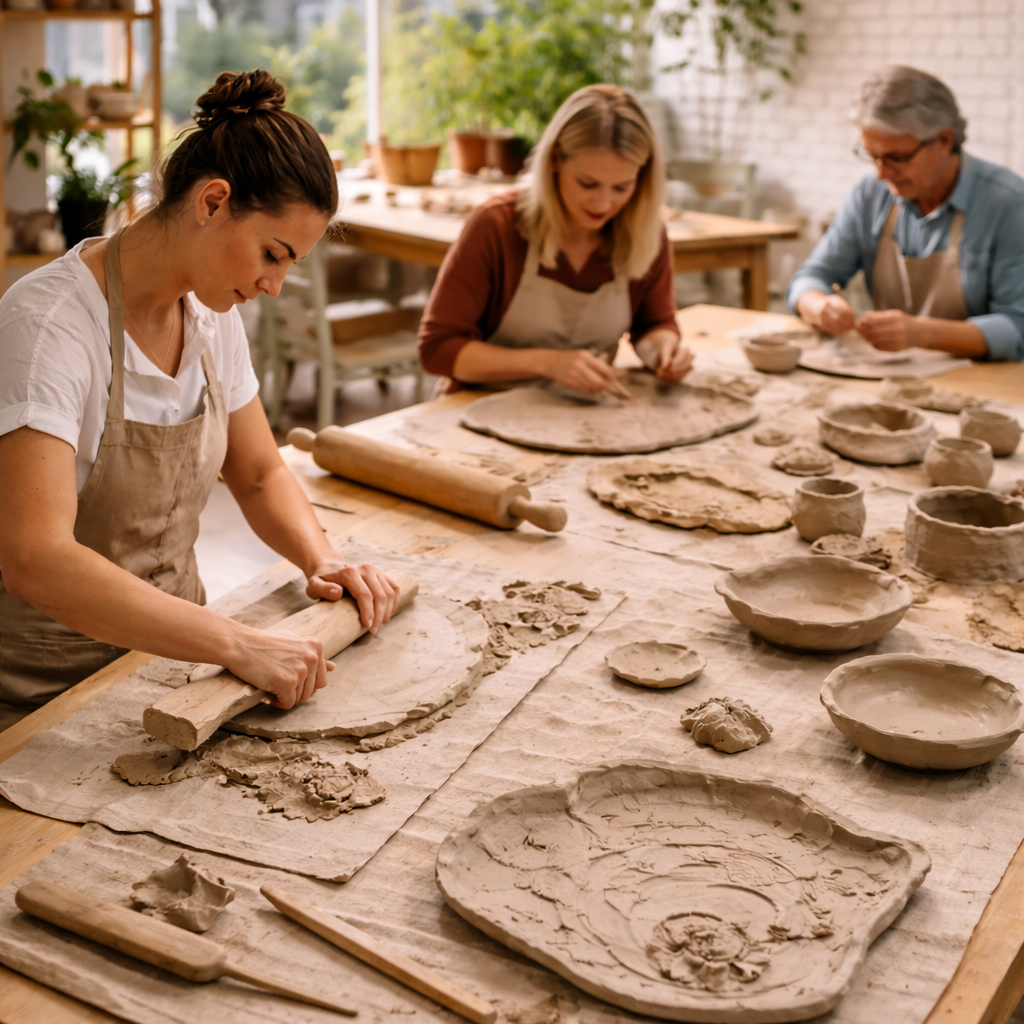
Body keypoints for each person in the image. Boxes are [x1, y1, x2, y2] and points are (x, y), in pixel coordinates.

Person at [0, 69, 398, 730]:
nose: (274, 285)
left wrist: (322, 559)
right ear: (212, 202)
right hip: (41, 693)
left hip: (171, 668)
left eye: (290, 264)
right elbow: (35, 559)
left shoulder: (213, 318)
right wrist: (237, 642)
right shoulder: (47, 328)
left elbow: (260, 472)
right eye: (272, 254)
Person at [418, 85, 692, 395]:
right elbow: (437, 349)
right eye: (587, 184)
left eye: (622, 188)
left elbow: (654, 325)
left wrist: (664, 352)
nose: (603, 204)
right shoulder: (497, 225)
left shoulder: (645, 231)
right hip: (476, 407)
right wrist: (547, 363)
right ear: (554, 159)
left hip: (582, 413)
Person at [788, 66, 1024, 361]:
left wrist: (920, 333)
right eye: (872, 155)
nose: (881, 172)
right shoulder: (871, 193)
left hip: (982, 386)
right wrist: (818, 305)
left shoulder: (1009, 205)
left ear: (944, 140)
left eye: (897, 158)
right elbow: (811, 277)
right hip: (892, 375)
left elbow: (1017, 327)